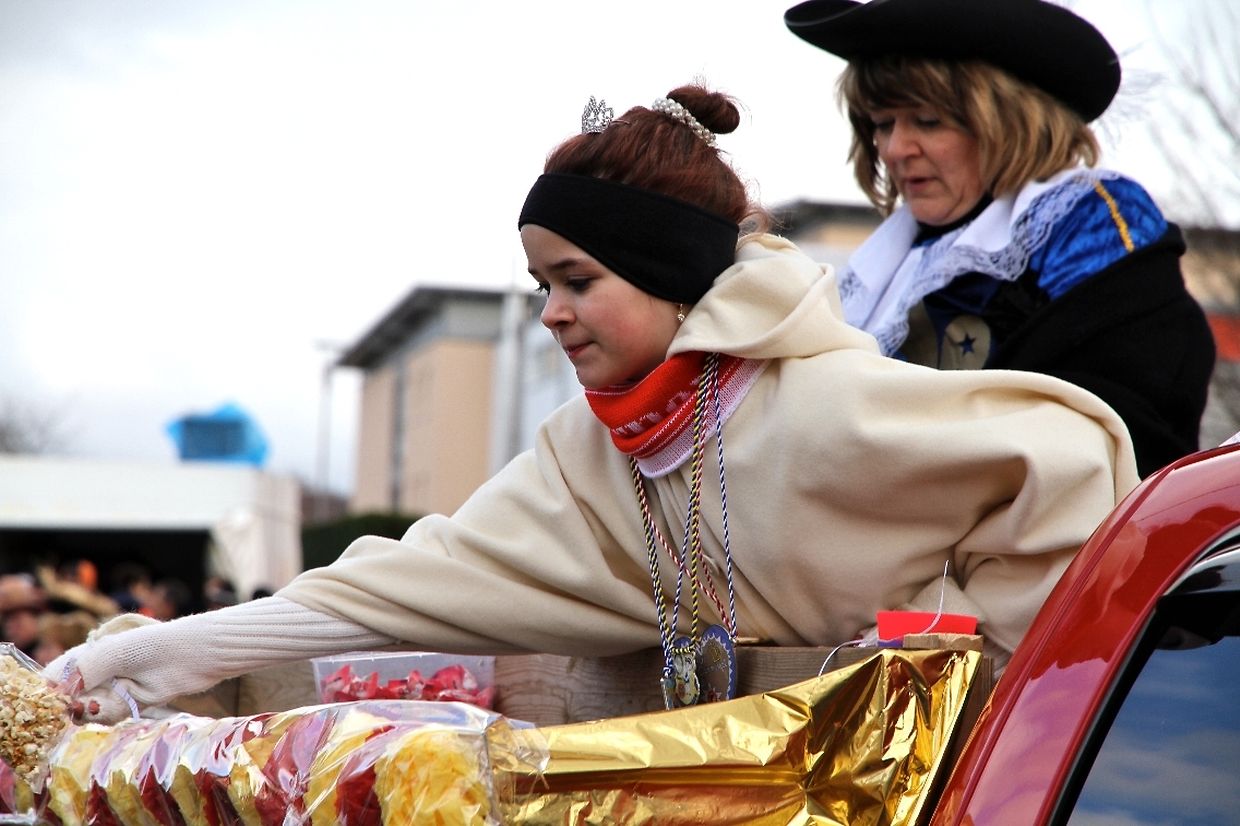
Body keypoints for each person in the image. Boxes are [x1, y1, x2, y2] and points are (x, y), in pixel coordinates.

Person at [50, 84, 1138, 723]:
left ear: (671, 279)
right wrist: (165, 651)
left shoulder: (819, 404)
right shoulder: (586, 451)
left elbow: (1071, 459)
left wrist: (953, 650)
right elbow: (401, 585)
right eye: (541, 286)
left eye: (577, 281)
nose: (552, 315)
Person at [783, 0, 1215, 478]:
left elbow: (1114, 435)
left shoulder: (1084, 224)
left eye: (927, 121)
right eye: (883, 124)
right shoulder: (881, 268)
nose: (896, 149)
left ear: (1011, 124)